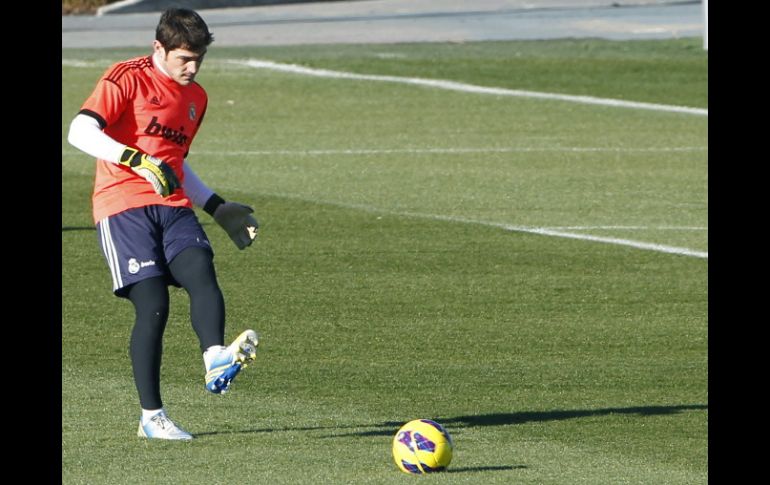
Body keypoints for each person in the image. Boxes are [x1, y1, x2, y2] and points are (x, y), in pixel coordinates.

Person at [67, 8, 260, 441]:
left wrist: (216, 206)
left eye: (198, 59)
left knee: (200, 269)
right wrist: (135, 159)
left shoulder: (197, 98)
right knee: (153, 304)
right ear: (159, 48)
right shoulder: (126, 77)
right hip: (121, 205)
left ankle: (214, 356)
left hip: (172, 204)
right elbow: (79, 131)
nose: (191, 69)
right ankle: (151, 417)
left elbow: (177, 163)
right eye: (183, 59)